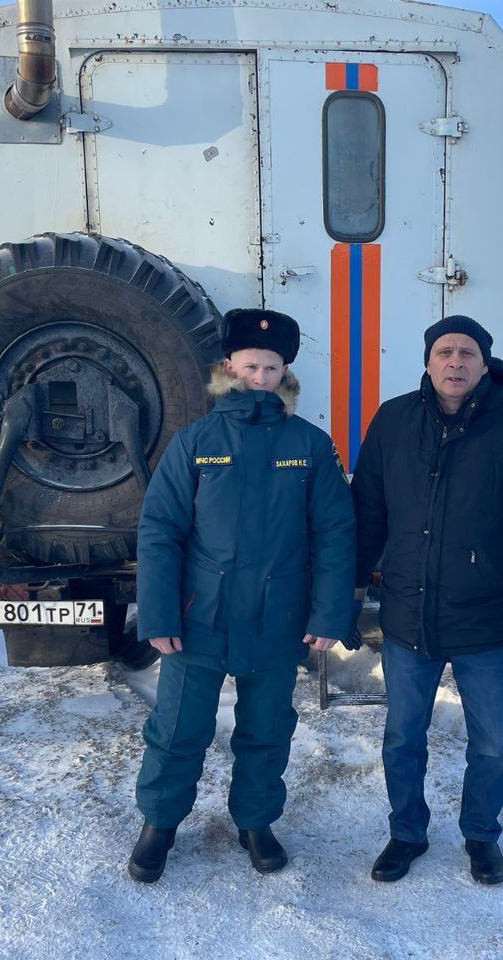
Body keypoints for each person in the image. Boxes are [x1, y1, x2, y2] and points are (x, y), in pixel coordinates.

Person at [129, 307, 355, 882]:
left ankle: (256, 822)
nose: (259, 376)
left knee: (268, 729)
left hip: (277, 620)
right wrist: (156, 614)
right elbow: (160, 531)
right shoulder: (196, 442)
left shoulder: (308, 444)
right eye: (250, 365)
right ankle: (159, 823)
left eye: (271, 366)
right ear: (229, 366)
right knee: (178, 728)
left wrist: (330, 611)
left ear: (285, 372)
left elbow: (334, 533)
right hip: (198, 618)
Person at [349, 315, 503, 885]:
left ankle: (481, 835)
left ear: (485, 363)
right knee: (402, 736)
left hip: (488, 620)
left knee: (492, 744)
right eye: (444, 352)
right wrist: (345, 591)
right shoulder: (394, 420)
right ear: (427, 361)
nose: (455, 362)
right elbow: (367, 514)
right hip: (408, 614)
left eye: (467, 353)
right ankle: (406, 833)